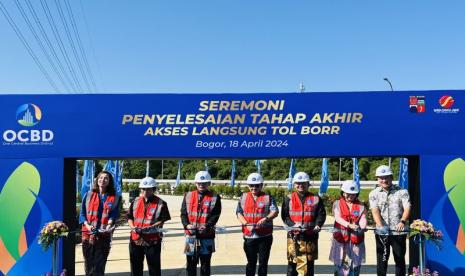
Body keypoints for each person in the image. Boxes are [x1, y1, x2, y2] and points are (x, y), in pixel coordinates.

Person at [281, 171, 326, 276]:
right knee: (292, 265)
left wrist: (318, 225)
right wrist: (293, 225)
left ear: (308, 184)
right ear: (294, 184)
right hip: (294, 236)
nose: (300, 185)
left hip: (310, 236)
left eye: (303, 183)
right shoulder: (288, 198)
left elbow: (321, 214)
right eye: (298, 183)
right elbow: (285, 216)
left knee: (309, 265)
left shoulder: (316, 198)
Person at [369, 165, 411, 276]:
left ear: (391, 177)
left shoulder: (402, 191)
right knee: (382, 260)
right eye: (381, 178)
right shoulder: (373, 194)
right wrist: (380, 226)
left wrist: (402, 221)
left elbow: (407, 207)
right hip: (382, 232)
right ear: (377, 179)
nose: (384, 180)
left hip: (398, 232)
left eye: (386, 177)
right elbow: (375, 210)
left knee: (399, 259)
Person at [236, 173, 279, 276]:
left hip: (265, 236)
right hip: (249, 235)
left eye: (257, 185)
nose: (254, 188)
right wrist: (246, 224)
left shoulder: (268, 197)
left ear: (261, 185)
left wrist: (266, 218)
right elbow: (239, 213)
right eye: (251, 185)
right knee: (251, 263)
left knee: (263, 263)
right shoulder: (243, 197)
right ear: (248, 186)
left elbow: (275, 211)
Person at [181, 171, 222, 276]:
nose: (201, 185)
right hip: (190, 236)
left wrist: (207, 225)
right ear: (195, 183)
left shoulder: (215, 197)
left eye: (204, 183)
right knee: (190, 263)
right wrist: (187, 225)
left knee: (205, 264)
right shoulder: (188, 195)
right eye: (199, 182)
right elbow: (183, 213)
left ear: (209, 183)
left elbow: (215, 215)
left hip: (207, 236)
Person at [128, 176, 171, 276]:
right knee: (135, 267)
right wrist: (132, 227)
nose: (145, 191)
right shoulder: (135, 201)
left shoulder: (161, 203)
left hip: (152, 240)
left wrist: (151, 227)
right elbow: (129, 217)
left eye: (148, 189)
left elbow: (162, 219)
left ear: (154, 189)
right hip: (136, 239)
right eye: (143, 189)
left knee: (154, 268)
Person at [79, 170, 120, 276]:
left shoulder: (114, 197)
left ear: (109, 181)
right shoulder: (88, 195)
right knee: (89, 263)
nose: (103, 180)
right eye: (101, 178)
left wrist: (109, 225)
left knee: (99, 265)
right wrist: (87, 226)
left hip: (103, 235)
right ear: (97, 180)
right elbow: (82, 214)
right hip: (88, 235)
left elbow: (114, 214)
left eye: (106, 178)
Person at [329, 180, 367, 276]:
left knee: (355, 265)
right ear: (343, 192)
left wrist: (362, 227)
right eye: (348, 193)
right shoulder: (337, 204)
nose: (350, 196)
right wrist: (348, 225)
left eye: (353, 194)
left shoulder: (361, 206)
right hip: (340, 239)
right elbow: (337, 218)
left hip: (356, 240)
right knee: (340, 264)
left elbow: (363, 218)